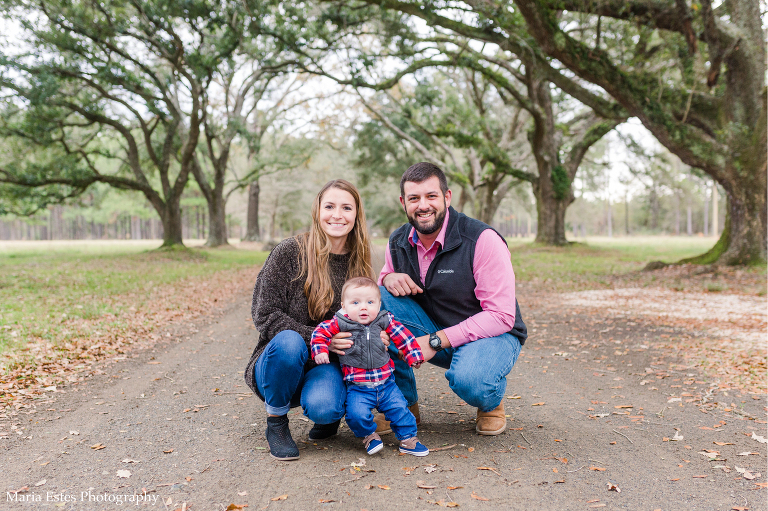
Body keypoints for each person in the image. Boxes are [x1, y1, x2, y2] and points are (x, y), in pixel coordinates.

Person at [377, 162, 528, 436]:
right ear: (404, 202)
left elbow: (501, 316)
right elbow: (385, 285)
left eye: (431, 196)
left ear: (447, 197)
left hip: (491, 336)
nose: (423, 205)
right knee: (377, 302)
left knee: (472, 380)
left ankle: (490, 403)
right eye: (414, 198)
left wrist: (436, 341)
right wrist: (386, 278)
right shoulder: (397, 240)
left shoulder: (482, 239)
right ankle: (403, 404)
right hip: (435, 330)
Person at [244, 179, 379, 461]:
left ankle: (329, 412)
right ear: (318, 210)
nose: (337, 215)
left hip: (324, 363)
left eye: (346, 208)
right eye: (329, 206)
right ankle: (277, 423)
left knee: (325, 407)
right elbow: (264, 313)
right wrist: (320, 337)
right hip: (280, 360)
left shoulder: (359, 260)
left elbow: (364, 316)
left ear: (356, 214)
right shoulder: (289, 252)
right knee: (291, 342)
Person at [311, 276, 428, 457]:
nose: (363, 307)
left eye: (370, 302)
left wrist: (414, 355)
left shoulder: (384, 320)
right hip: (358, 387)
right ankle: (368, 436)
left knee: (400, 409)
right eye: (355, 302)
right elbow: (320, 332)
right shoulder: (340, 322)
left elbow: (404, 336)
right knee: (355, 414)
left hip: (386, 384)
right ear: (344, 305)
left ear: (379, 304)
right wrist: (320, 350)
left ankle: (408, 439)